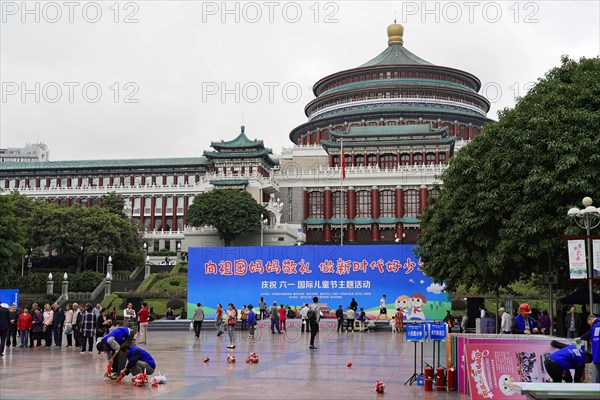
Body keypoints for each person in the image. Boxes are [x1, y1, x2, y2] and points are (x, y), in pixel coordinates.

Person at [579, 314, 600, 383]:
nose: (590, 325)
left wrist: (580, 338)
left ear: (590, 320)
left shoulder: (595, 326)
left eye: (589, 323)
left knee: (598, 371)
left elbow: (588, 334)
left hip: (597, 354)